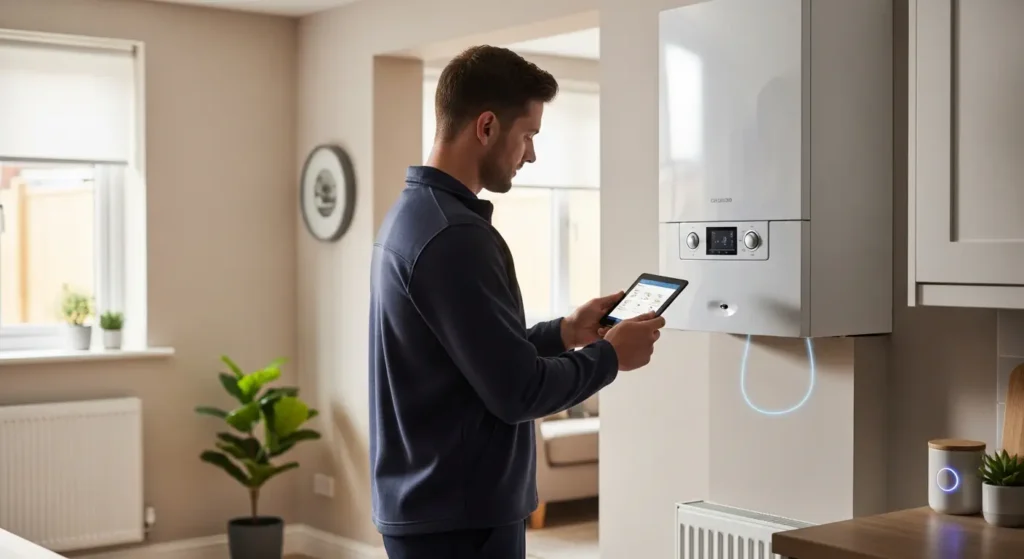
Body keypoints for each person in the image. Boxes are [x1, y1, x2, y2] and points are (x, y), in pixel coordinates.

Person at [368, 45, 666, 559]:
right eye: (527, 136)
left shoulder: (414, 216)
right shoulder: (456, 236)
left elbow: (475, 359)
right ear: (486, 127)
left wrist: (566, 332)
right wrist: (612, 356)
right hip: (460, 518)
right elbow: (518, 392)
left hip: (435, 507)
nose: (531, 155)